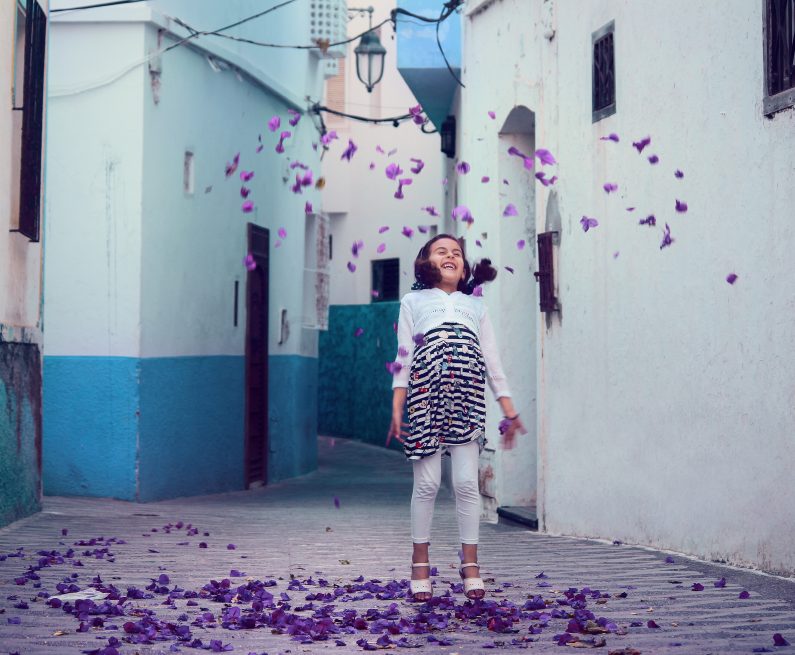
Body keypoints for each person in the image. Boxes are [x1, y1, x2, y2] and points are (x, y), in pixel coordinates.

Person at [387, 234, 526, 602]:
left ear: (465, 268)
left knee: (466, 484)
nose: (450, 256)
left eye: (457, 253)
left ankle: (471, 564)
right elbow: (403, 355)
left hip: (467, 400)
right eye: (441, 251)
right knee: (429, 485)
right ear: (425, 262)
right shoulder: (413, 301)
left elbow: (492, 361)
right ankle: (420, 562)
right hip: (424, 398)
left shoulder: (475, 306)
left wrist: (509, 409)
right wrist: (397, 404)